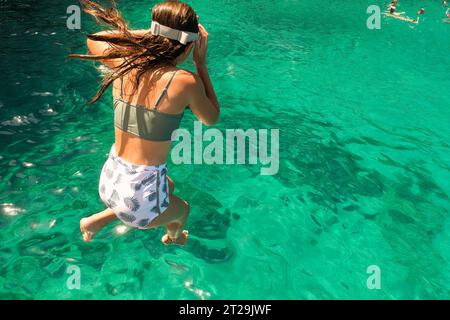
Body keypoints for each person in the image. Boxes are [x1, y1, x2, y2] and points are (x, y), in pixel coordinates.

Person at [69, 0, 220, 245]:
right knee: (183, 209)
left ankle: (95, 220)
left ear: (154, 33)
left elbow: (96, 36)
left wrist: (152, 32)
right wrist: (200, 65)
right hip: (138, 200)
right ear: (190, 45)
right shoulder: (184, 81)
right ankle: (174, 238)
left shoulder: (124, 63)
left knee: (167, 186)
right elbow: (211, 118)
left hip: (110, 178)